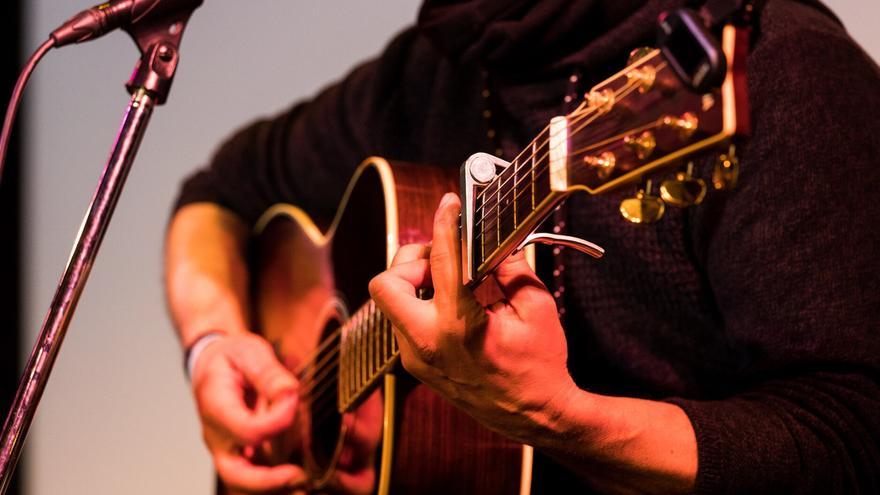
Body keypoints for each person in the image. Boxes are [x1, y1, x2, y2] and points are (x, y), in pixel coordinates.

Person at [164, 0, 880, 493]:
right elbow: (216, 195)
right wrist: (212, 344)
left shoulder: (774, 67)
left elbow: (852, 440)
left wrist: (562, 421)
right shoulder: (440, 64)